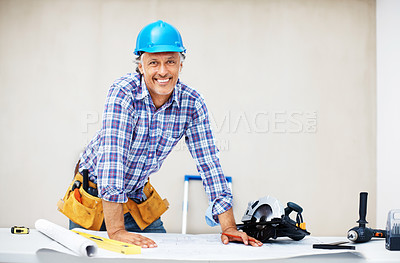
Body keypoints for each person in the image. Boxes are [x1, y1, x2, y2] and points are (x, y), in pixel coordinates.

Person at [73, 20, 262, 248]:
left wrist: (229, 227)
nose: (163, 71)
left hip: (135, 198)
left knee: (160, 254)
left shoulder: (191, 104)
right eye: (154, 62)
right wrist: (116, 231)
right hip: (93, 198)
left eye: (170, 61)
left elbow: (209, 164)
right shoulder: (123, 93)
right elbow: (113, 162)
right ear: (141, 66)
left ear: (180, 65)